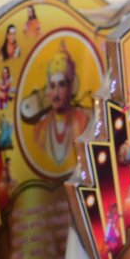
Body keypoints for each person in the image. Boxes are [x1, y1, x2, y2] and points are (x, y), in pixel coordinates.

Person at [25, 43, 90, 173]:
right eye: (52, 86)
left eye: (61, 84)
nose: (55, 93)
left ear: (71, 87)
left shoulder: (84, 121)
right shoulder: (39, 129)